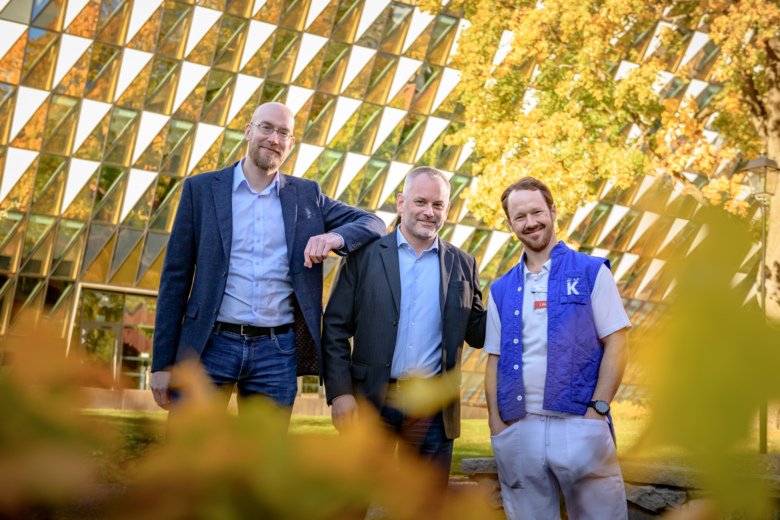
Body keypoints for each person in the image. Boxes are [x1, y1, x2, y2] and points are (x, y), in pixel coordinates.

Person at [150, 102, 386, 414]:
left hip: (276, 352)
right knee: (190, 457)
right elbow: (175, 279)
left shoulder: (307, 197)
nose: (274, 138)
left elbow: (375, 224)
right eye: (266, 128)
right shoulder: (202, 190)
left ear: (291, 143)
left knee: (265, 460)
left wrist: (332, 237)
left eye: (283, 133)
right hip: (209, 346)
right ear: (249, 131)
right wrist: (162, 363)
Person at [321, 166, 486, 485]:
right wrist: (340, 394)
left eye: (438, 205)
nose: (429, 211)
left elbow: (478, 332)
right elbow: (336, 328)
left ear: (447, 210)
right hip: (370, 403)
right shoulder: (364, 256)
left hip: (432, 412)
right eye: (420, 202)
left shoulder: (463, 263)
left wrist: (520, 295)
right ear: (401, 202)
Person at [485, 177, 631, 519]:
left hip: (580, 424)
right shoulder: (501, 289)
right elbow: (493, 358)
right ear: (510, 224)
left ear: (552, 211)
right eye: (519, 216)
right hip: (520, 430)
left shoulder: (591, 272)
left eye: (537, 211)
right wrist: (496, 424)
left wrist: (598, 411)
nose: (530, 222)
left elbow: (618, 341)